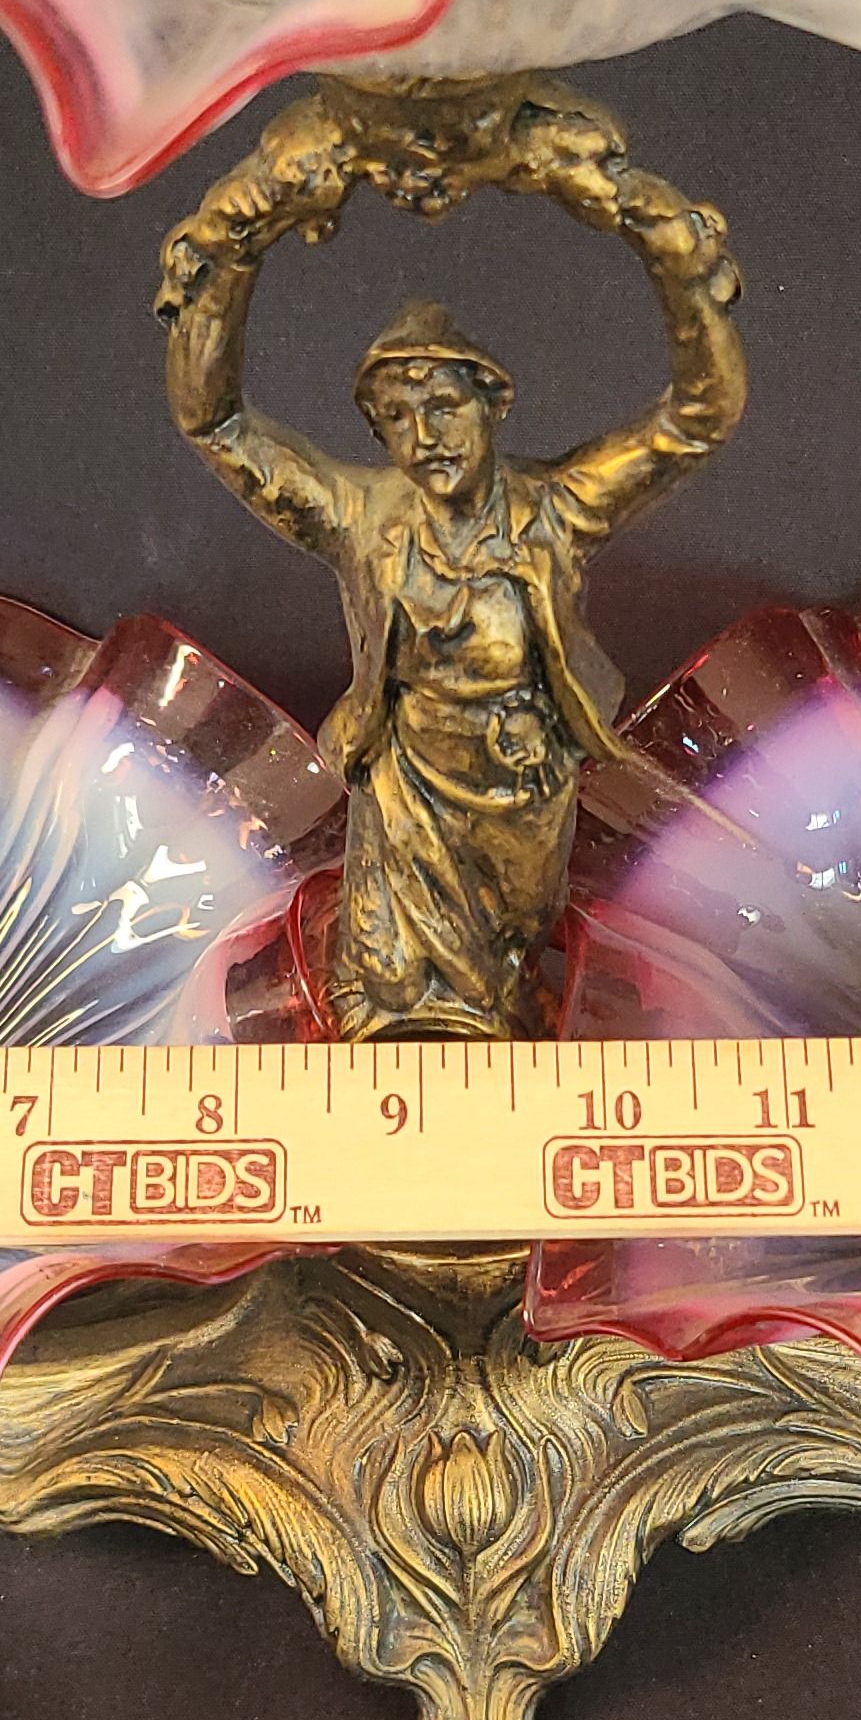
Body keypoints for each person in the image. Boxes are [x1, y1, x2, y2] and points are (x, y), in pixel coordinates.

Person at [159, 82, 745, 1038]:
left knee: (509, 999)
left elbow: (697, 418)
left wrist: (678, 262)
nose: (423, 436)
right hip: (405, 794)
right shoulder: (361, 517)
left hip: (520, 791)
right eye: (396, 418)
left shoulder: (555, 510)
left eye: (443, 408)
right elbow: (216, 424)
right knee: (381, 988)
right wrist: (225, 262)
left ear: (492, 406)